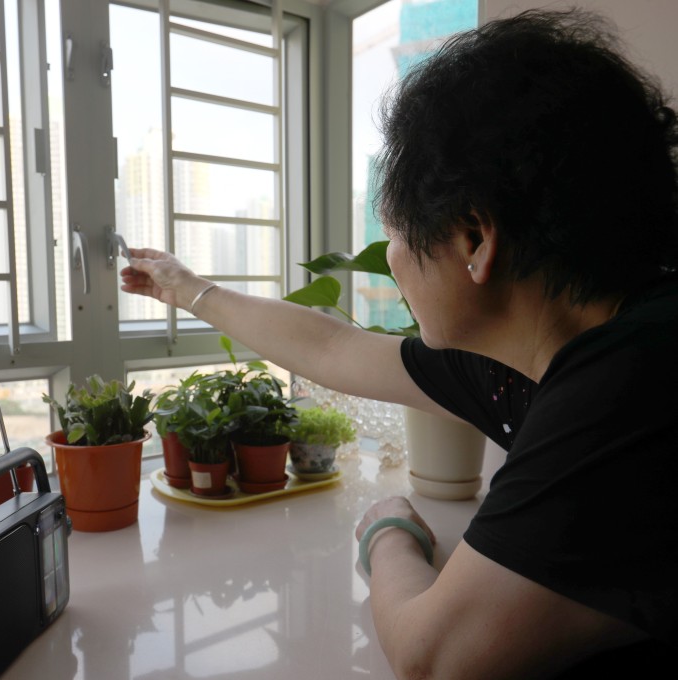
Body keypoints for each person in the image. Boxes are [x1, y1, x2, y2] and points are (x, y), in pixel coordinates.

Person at [120, 8, 677, 680]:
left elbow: (431, 654)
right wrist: (188, 289)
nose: (392, 260)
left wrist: (389, 534)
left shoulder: (632, 377)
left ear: (475, 239)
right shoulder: (548, 356)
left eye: (400, 236)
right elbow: (334, 349)